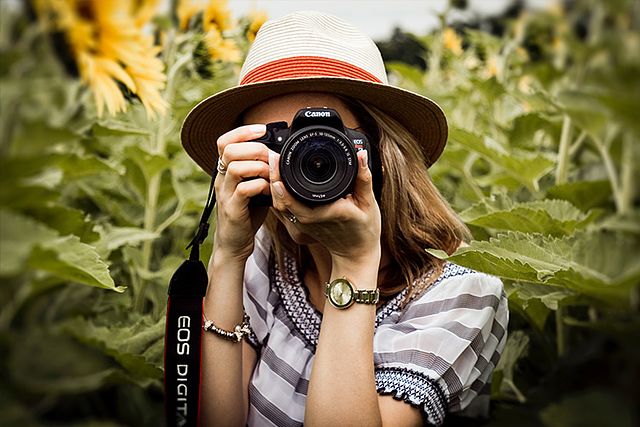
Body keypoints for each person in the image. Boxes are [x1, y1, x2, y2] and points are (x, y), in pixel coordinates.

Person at [180, 10, 508, 427]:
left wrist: (354, 263)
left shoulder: (463, 298)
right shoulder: (265, 258)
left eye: (326, 139)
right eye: (278, 142)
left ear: (383, 153)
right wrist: (228, 254)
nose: (302, 159)